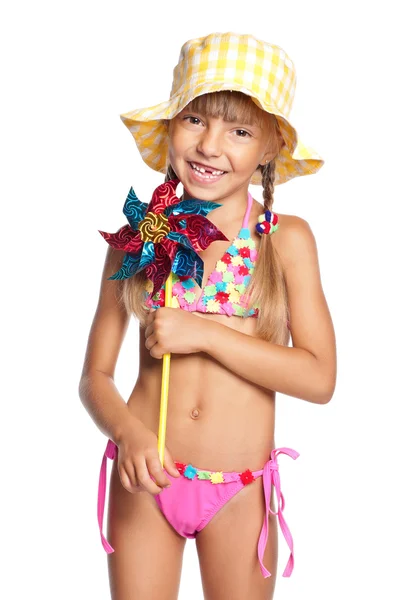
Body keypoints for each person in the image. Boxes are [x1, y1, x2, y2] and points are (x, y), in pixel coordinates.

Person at [79, 31, 336, 600]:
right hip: (147, 479)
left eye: (239, 131)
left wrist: (207, 333)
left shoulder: (284, 240)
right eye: (195, 120)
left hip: (239, 491)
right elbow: (94, 376)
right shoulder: (141, 235)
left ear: (269, 148)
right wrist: (128, 433)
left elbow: (319, 378)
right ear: (171, 125)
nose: (210, 146)